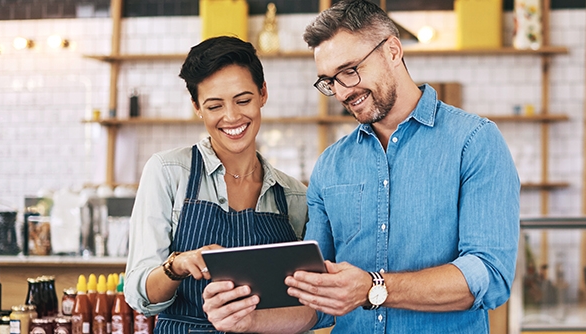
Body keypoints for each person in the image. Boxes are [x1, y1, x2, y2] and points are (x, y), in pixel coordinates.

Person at [201, 0, 521, 333]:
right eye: (330, 81)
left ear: (393, 51)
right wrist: (248, 319)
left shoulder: (474, 142)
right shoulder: (331, 165)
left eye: (350, 70)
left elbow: (489, 274)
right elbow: (316, 299)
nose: (341, 91)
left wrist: (373, 288)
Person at [123, 36, 313, 333]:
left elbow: (308, 302)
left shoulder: (293, 196)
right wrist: (178, 265)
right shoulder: (169, 173)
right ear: (197, 107)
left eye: (243, 100)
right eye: (214, 106)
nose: (232, 116)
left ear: (263, 93)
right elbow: (140, 295)